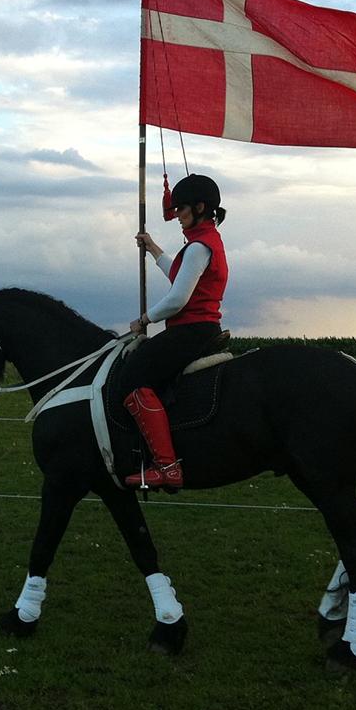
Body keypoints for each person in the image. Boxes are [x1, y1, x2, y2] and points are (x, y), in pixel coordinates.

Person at [120, 173, 230, 492]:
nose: (178, 217)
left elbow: (178, 299)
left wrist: (144, 319)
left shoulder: (198, 247)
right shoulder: (206, 243)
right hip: (203, 328)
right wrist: (154, 249)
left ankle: (166, 466)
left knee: (131, 378)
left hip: (191, 330)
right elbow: (178, 276)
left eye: (181, 210)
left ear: (199, 207)